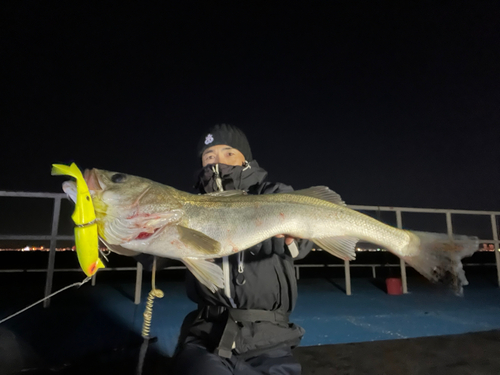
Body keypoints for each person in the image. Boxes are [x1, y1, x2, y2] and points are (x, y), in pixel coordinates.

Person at [170, 123, 314, 375]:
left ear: (245, 158)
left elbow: (303, 245)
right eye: (209, 155)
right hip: (206, 335)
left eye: (228, 152)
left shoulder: (273, 193)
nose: (218, 160)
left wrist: (296, 237)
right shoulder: (187, 207)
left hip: (270, 339)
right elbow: (146, 251)